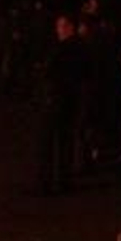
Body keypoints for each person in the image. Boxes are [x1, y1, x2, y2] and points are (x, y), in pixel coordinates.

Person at [36, 13, 86, 194]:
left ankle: (45, 182)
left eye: (63, 26)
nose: (59, 30)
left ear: (71, 27)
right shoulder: (79, 48)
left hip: (57, 99)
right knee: (65, 141)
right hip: (70, 100)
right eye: (58, 26)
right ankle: (63, 180)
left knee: (48, 141)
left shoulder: (64, 49)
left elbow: (49, 72)